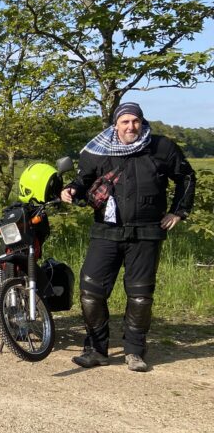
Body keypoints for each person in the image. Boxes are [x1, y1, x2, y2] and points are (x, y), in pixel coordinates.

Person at [61, 102, 195, 372]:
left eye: (135, 121)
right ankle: (96, 350)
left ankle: (134, 351)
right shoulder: (97, 150)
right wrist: (70, 190)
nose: (131, 127)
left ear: (142, 123)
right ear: (115, 125)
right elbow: (82, 181)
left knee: (140, 296)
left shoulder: (161, 148)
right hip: (106, 231)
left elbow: (187, 177)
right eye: (125, 122)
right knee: (91, 292)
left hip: (146, 232)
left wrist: (178, 212)